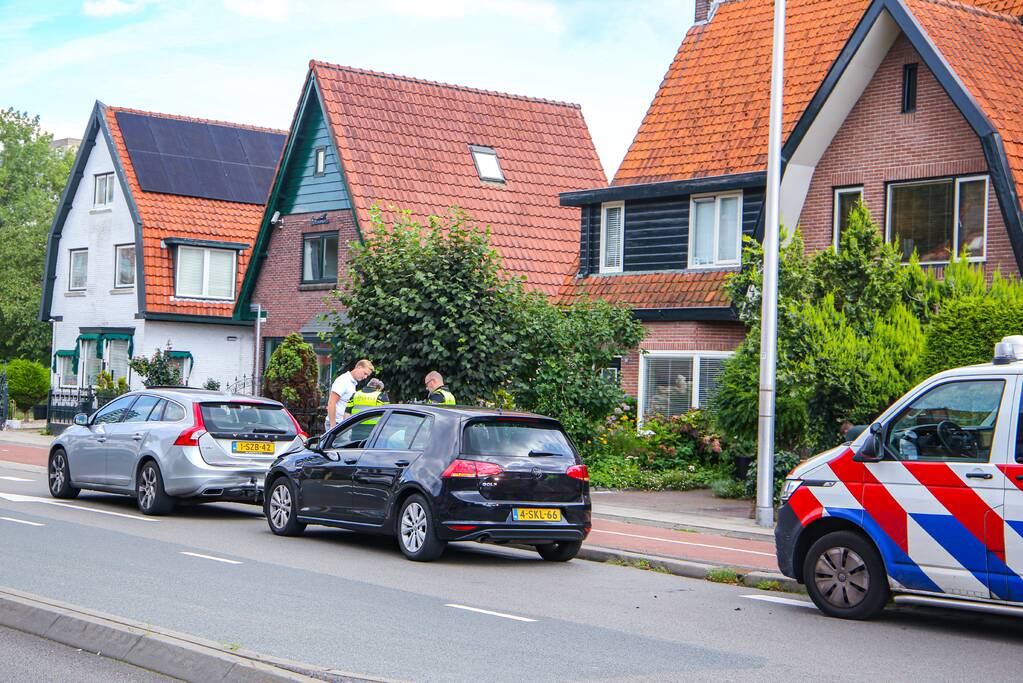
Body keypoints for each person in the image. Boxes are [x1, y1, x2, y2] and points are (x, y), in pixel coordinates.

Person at [326, 359, 374, 430]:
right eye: (365, 373)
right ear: (359, 367)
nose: (365, 377)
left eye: (367, 375)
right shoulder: (343, 380)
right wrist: (332, 426)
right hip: (337, 424)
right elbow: (331, 403)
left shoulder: (352, 383)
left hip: (342, 424)